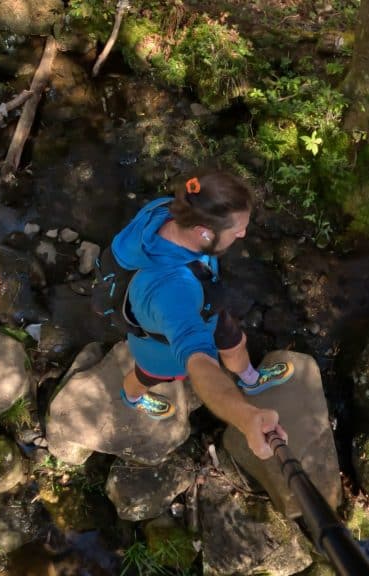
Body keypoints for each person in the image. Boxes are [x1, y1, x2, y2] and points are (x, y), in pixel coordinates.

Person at [109, 170, 294, 460]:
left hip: (206, 306)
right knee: (146, 374)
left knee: (235, 342)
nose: (243, 233)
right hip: (163, 345)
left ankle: (249, 378)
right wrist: (246, 418)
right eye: (237, 230)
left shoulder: (170, 209)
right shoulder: (172, 291)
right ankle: (132, 397)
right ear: (204, 233)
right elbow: (201, 364)